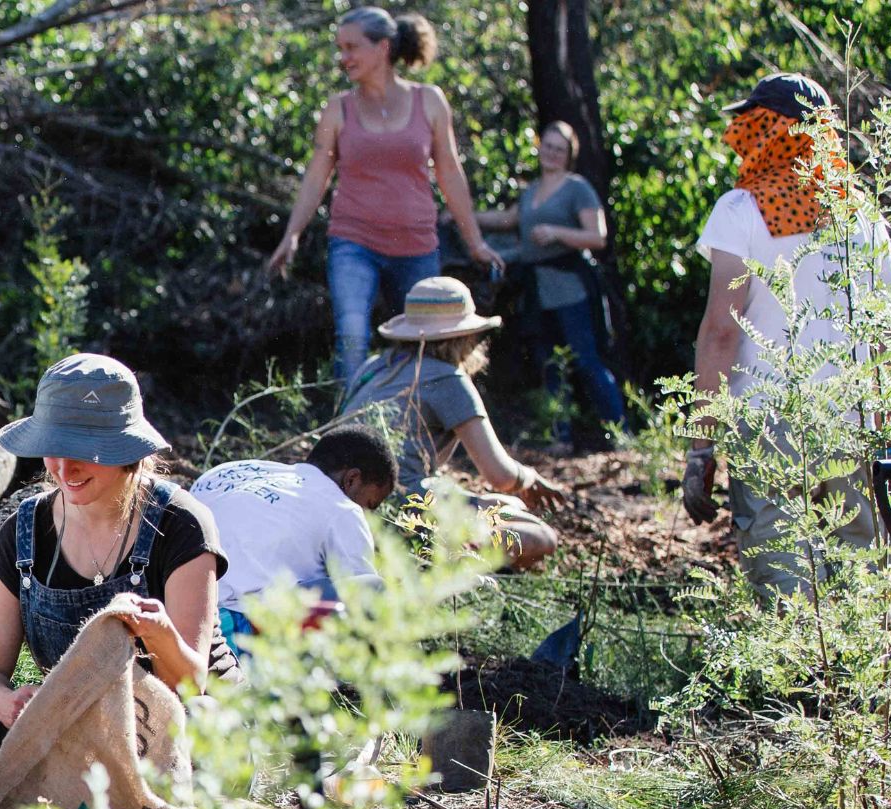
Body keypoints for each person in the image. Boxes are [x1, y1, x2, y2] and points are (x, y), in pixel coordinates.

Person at [0, 354, 237, 796]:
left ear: (127, 452)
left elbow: (193, 682)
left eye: (84, 454)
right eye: (56, 449)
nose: (64, 470)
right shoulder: (25, 531)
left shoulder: (181, 523)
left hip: (175, 722)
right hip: (77, 725)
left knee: (205, 737)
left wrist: (159, 632)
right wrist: (7, 703)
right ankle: (78, 799)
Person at [682, 73, 891, 600]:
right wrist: (888, 440)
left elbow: (720, 334)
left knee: (782, 582)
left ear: (769, 128)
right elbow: (890, 338)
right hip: (853, 420)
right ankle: (852, 683)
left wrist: (700, 448)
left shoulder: (741, 211)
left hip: (770, 422)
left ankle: (800, 684)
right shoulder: (863, 214)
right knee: (856, 577)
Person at [267, 6, 505, 385]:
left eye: (351, 47)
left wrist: (474, 241)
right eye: (340, 48)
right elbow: (316, 178)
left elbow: (450, 174)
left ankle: (416, 428)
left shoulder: (429, 101)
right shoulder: (338, 109)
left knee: (425, 346)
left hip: (416, 245)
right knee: (352, 337)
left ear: (383, 48)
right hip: (354, 242)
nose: (343, 58)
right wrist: (292, 233)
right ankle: (349, 430)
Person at [341, 276, 570, 570]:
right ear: (464, 337)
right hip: (402, 506)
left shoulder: (373, 366)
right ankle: (450, 558)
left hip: (351, 502)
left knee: (512, 507)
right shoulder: (447, 379)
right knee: (541, 536)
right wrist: (529, 478)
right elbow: (499, 474)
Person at [475, 120, 625, 451]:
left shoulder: (577, 188)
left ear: (568, 154)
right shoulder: (531, 192)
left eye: (560, 148)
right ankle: (561, 438)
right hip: (538, 294)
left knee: (586, 360)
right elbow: (506, 219)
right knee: (550, 365)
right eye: (548, 146)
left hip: (571, 288)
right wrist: (462, 216)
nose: (552, 153)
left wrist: (558, 233)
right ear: (540, 146)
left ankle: (620, 434)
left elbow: (597, 236)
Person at [191, 424, 396, 653]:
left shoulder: (228, 471)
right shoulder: (342, 508)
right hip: (232, 635)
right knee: (372, 589)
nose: (368, 517)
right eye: (371, 505)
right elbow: (365, 605)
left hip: (175, 613)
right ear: (352, 480)